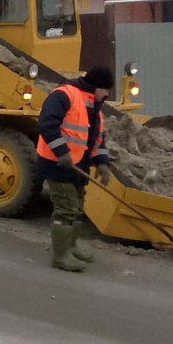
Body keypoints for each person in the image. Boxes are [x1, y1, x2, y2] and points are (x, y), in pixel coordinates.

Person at [36, 66, 113, 272]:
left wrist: (102, 163)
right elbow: (46, 124)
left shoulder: (95, 107)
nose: (107, 95)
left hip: (78, 165)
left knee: (78, 208)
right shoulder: (64, 95)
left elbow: (97, 139)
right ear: (96, 86)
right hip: (57, 164)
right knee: (66, 209)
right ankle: (60, 256)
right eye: (105, 90)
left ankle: (71, 247)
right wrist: (61, 152)